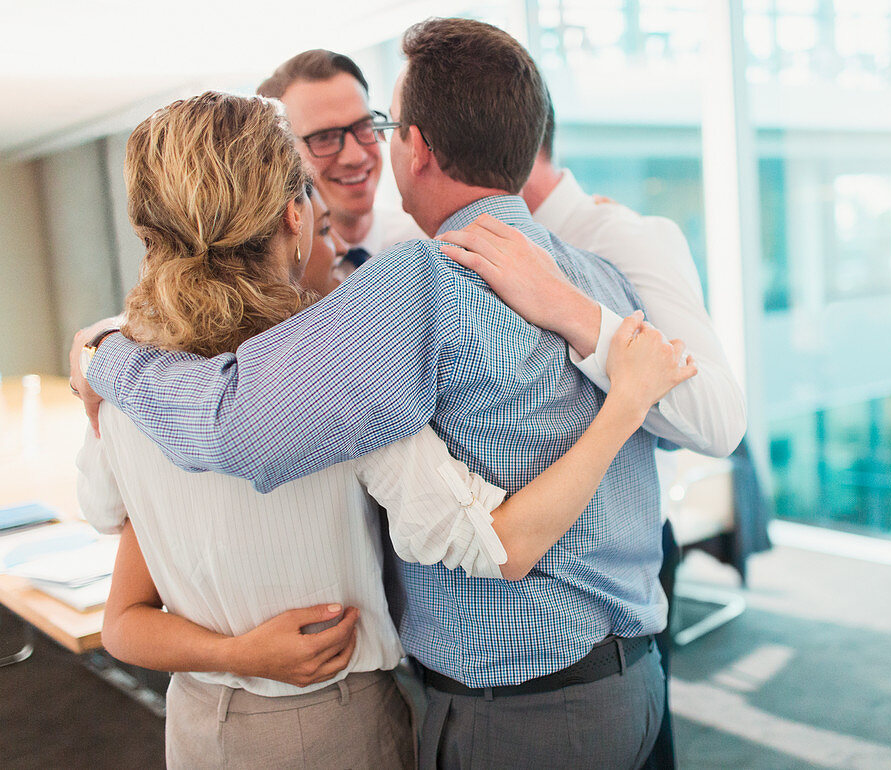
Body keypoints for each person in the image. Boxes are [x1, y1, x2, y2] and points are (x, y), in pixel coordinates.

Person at [69, 19, 727, 768]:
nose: (355, 155)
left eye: (372, 125)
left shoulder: (412, 284)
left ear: (413, 147)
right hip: (630, 680)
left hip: (517, 714)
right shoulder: (597, 276)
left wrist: (107, 363)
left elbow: (233, 424)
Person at [438, 97, 747, 769]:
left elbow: (718, 418)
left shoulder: (621, 237)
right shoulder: (447, 250)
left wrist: (566, 306)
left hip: (618, 583)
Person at [257, 49, 423, 267]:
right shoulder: (276, 281)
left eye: (364, 126)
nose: (356, 157)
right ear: (282, 154)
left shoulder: (424, 243)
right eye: (324, 137)